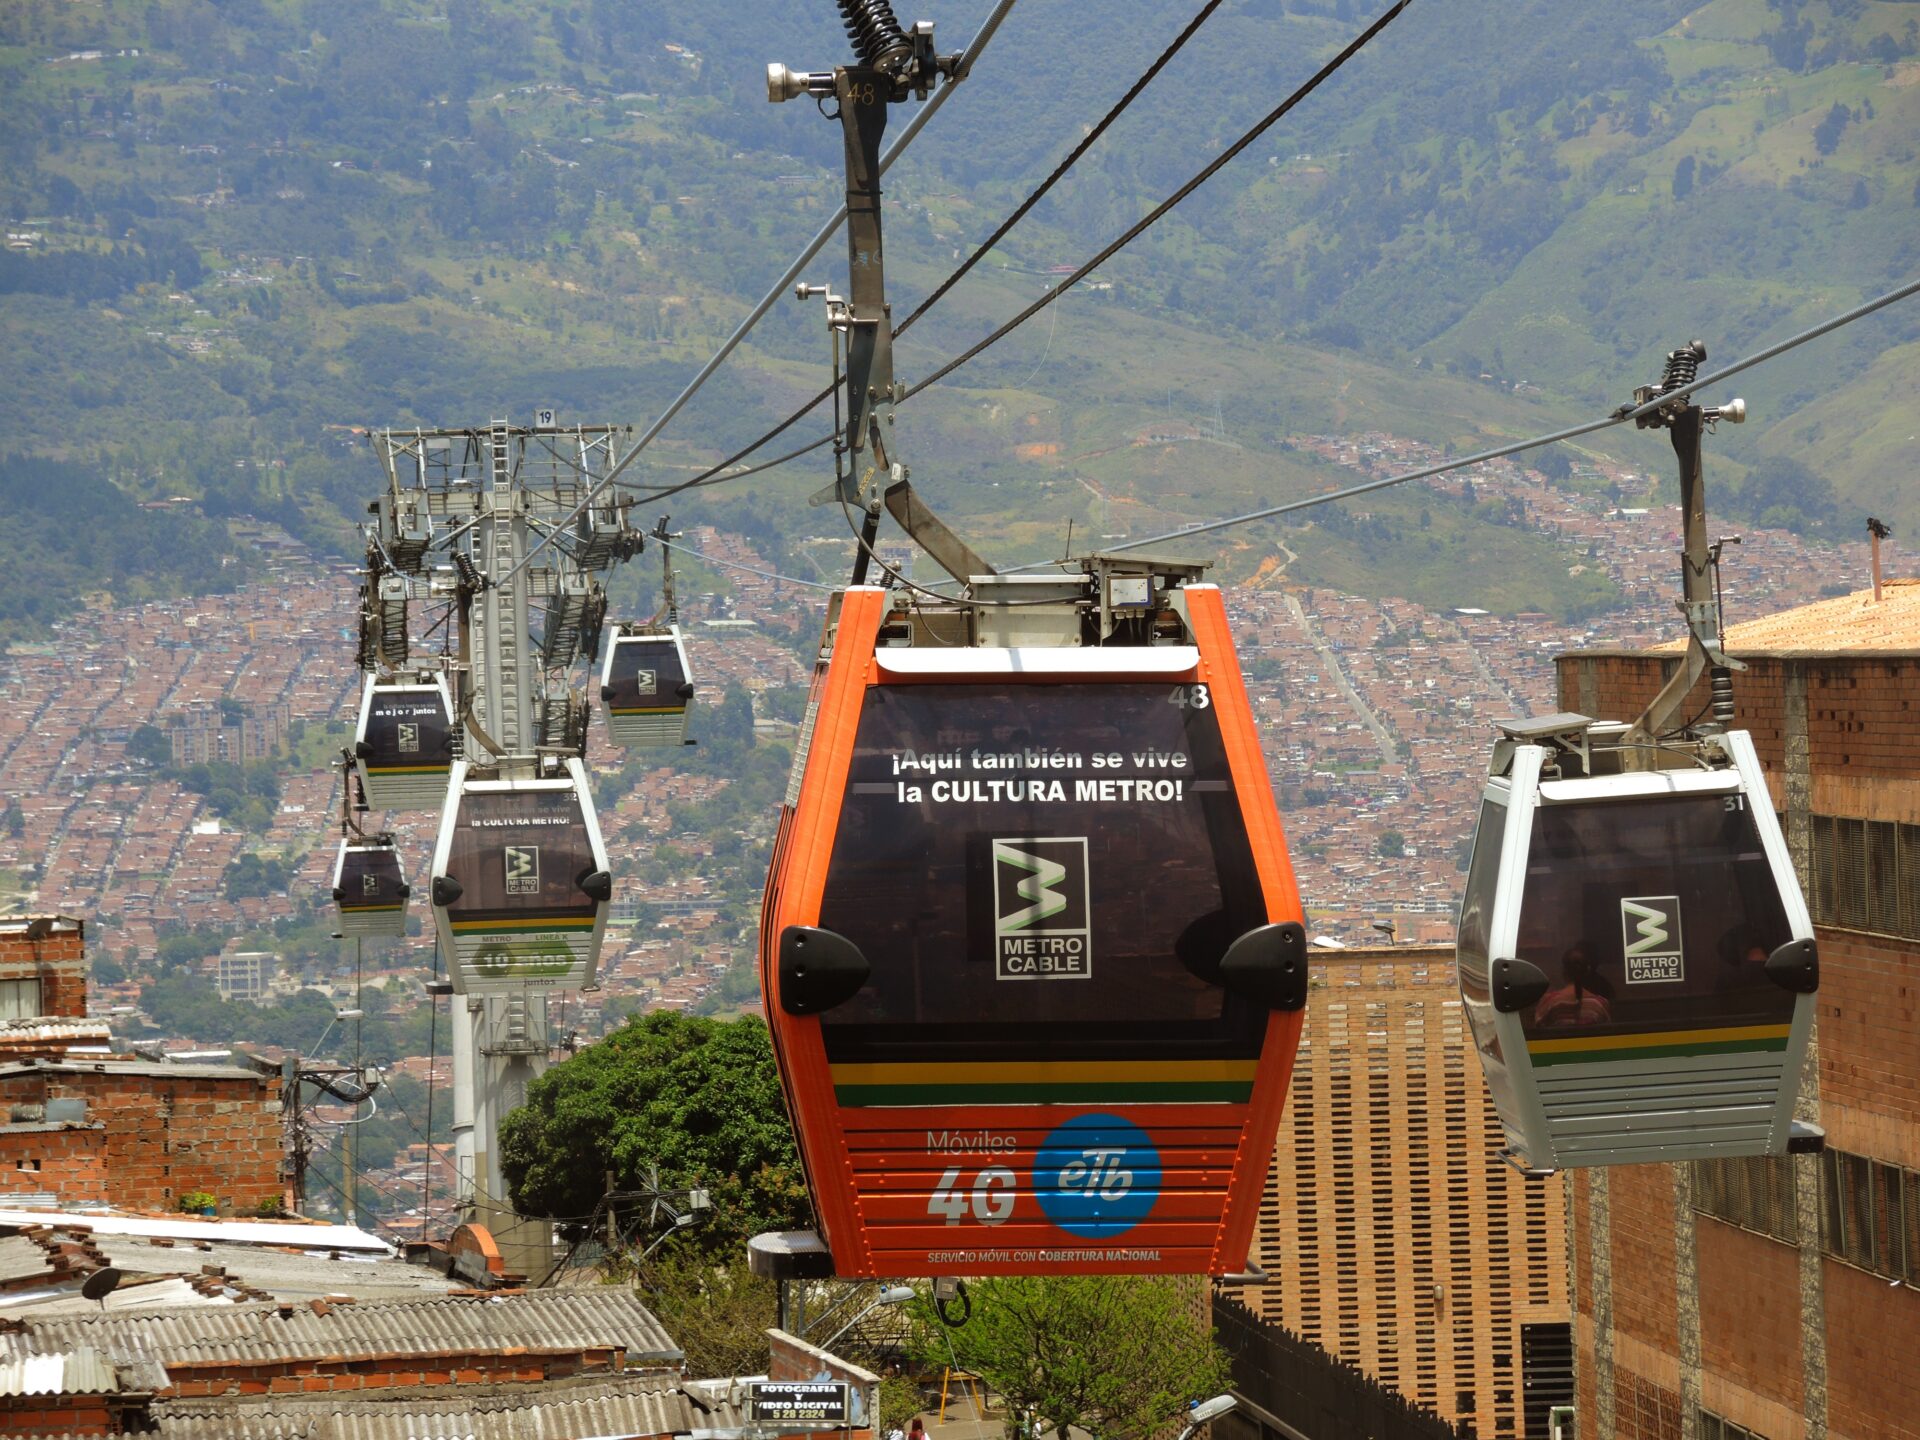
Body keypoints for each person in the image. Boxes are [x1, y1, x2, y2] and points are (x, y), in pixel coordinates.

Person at [1532, 944, 1612, 1027]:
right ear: (1588, 971)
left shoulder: (1549, 1002)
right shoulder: (1600, 1004)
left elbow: (1538, 1030)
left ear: (1563, 971)